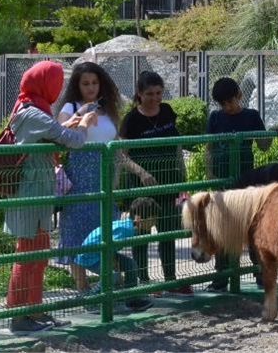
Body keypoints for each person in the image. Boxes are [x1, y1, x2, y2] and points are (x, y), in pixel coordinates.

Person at [4, 60, 98, 334]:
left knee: (38, 253)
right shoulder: (32, 112)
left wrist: (72, 122)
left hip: (38, 189)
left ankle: (35, 310)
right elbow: (73, 141)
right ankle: (20, 316)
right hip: (31, 191)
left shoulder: (34, 109)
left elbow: (52, 136)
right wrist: (85, 124)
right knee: (28, 254)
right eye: (55, 79)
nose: (58, 86)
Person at [56, 62, 154, 292]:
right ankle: (83, 290)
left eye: (94, 82)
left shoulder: (108, 111)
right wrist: (82, 113)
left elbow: (117, 150)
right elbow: (60, 130)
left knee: (104, 233)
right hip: (79, 180)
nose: (91, 88)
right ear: (77, 86)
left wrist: (139, 171)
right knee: (76, 234)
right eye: (85, 83)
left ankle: (107, 286)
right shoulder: (71, 106)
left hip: (105, 179)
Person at [204, 76, 278, 292]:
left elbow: (263, 145)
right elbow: (209, 148)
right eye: (223, 104)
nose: (227, 108)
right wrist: (210, 174)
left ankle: (261, 275)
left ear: (239, 95)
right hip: (223, 181)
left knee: (252, 228)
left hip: (247, 182)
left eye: (230, 102)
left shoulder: (251, 116)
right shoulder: (215, 118)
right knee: (222, 229)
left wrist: (273, 132)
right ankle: (221, 278)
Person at [119, 70, 193, 296]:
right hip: (142, 185)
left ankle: (170, 279)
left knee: (168, 232)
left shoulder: (168, 111)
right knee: (141, 233)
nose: (155, 98)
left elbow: (177, 145)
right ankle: (144, 281)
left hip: (169, 181)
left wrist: (182, 174)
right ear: (140, 94)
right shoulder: (131, 119)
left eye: (159, 93)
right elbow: (122, 154)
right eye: (149, 93)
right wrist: (141, 173)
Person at [75, 197, 160, 312]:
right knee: (112, 275)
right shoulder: (126, 229)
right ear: (139, 218)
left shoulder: (130, 227)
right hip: (92, 255)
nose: (154, 222)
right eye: (152, 219)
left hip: (102, 252)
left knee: (131, 264)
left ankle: (131, 298)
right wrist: (113, 263)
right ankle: (91, 300)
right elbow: (108, 246)